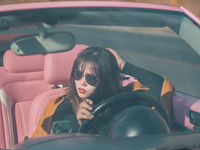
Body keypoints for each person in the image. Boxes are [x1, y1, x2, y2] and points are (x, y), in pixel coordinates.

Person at [32, 46, 174, 137]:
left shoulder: (122, 100)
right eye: (77, 74)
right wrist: (79, 123)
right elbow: (59, 146)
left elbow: (160, 86)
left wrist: (123, 65)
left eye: (91, 78)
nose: (82, 82)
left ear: (105, 80)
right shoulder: (64, 106)